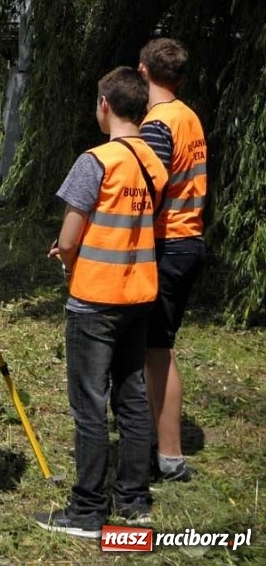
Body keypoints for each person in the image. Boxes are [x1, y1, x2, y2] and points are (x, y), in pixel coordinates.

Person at [36, 66, 168, 538]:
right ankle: (133, 500)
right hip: (139, 296)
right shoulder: (154, 162)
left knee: (90, 404)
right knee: (130, 398)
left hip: (94, 299)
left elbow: (71, 236)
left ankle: (88, 509)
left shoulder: (96, 160)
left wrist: (64, 251)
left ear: (105, 105)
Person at [139, 38, 207, 483]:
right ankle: (165, 448)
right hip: (190, 239)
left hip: (167, 244)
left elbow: (150, 190)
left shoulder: (157, 124)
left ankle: (167, 455)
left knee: (155, 351)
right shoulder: (189, 117)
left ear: (143, 72)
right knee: (159, 348)